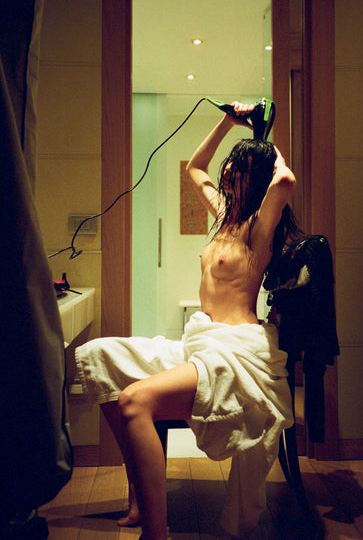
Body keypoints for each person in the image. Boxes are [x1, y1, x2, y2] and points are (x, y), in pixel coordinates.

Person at [72, 102, 296, 540]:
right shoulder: (224, 218)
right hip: (201, 342)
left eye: (239, 166)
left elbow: (285, 180)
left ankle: (155, 533)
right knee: (100, 356)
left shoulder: (258, 228)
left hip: (235, 351)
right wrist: (228, 121)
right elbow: (195, 168)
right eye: (229, 163)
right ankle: (140, 494)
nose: (228, 170)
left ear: (256, 176)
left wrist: (263, 137)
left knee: (134, 400)